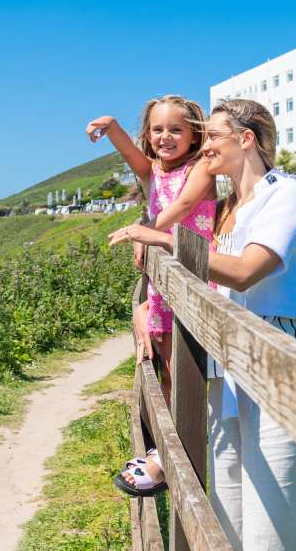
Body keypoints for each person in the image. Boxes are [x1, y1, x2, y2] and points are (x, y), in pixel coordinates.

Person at [109, 98, 296, 550]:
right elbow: (201, 280)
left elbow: (247, 270)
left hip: (275, 368)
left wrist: (160, 238)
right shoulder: (227, 208)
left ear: (245, 140)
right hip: (225, 369)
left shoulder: (285, 195)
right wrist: (149, 304)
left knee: (273, 525)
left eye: (211, 139)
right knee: (226, 515)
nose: (202, 150)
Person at [85, 94, 216, 495]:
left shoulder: (203, 168)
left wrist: (147, 230)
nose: (165, 137)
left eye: (176, 129)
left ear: (195, 135)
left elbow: (187, 203)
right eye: (157, 130)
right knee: (163, 364)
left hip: (192, 278)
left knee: (183, 370)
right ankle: (165, 449)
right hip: (163, 284)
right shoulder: (153, 172)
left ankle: (174, 454)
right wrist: (111, 127)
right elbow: (132, 156)